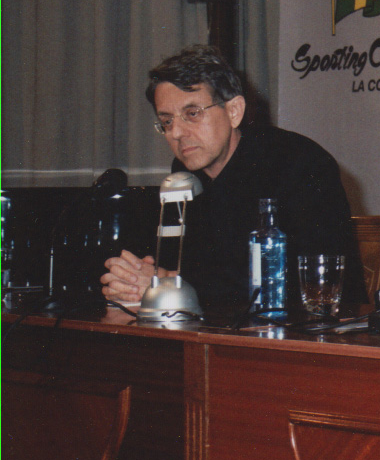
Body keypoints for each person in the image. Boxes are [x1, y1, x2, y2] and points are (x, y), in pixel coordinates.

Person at [101, 45, 364, 313]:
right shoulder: (184, 173)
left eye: (192, 114)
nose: (176, 133)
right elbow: (174, 263)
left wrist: (170, 281)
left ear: (234, 111)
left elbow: (307, 283)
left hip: (312, 328)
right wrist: (133, 280)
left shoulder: (300, 163)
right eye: (167, 121)